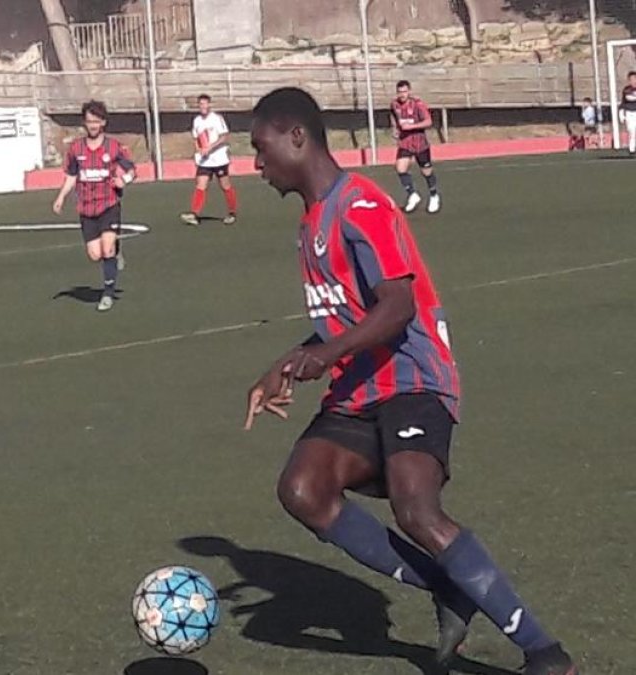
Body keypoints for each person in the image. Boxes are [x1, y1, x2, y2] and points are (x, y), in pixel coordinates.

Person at [242, 87, 577, 675]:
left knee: (416, 510)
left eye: (260, 148)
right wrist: (290, 361)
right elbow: (345, 319)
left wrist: (328, 354)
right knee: (303, 490)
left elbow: (397, 305)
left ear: (297, 136)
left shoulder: (361, 204)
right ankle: (448, 587)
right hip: (359, 386)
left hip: (412, 377)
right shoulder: (311, 224)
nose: (257, 164)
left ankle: (546, 654)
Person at [52, 100, 136, 312]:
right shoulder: (76, 149)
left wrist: (123, 180)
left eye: (96, 121)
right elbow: (71, 175)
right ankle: (115, 252)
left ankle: (108, 293)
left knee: (106, 249)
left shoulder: (114, 147)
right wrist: (61, 196)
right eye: (89, 121)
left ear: (103, 123)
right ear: (84, 123)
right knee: (95, 255)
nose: (93, 125)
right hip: (87, 208)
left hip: (109, 204)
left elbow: (132, 170)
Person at [181, 93, 238, 226]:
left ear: (209, 105)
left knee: (225, 185)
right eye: (200, 104)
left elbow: (224, 136)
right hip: (205, 161)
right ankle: (194, 214)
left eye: (205, 103)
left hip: (219, 159)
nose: (203, 106)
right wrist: (199, 150)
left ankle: (232, 212)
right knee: (201, 185)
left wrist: (210, 147)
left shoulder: (217, 119)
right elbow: (196, 138)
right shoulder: (197, 121)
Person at [389, 80, 440, 214]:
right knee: (400, 168)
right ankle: (413, 194)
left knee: (426, 172)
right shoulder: (394, 104)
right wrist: (394, 128)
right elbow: (393, 116)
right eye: (400, 92)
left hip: (420, 143)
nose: (402, 94)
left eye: (404, 91)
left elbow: (428, 121)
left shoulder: (418, 104)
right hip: (405, 142)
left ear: (409, 91)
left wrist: (411, 126)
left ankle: (434, 195)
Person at [621, 71, 636, 155]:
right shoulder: (626, 90)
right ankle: (632, 149)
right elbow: (623, 102)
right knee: (632, 130)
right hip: (629, 113)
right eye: (632, 79)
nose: (634, 81)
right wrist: (621, 113)